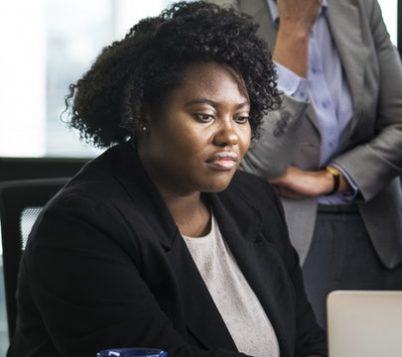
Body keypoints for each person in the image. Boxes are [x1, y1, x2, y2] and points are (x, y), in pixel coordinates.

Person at [7, 2, 326, 356]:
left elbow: (305, 338)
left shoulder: (253, 200)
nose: (230, 136)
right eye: (205, 116)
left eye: (241, 117)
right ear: (144, 114)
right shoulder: (81, 226)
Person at [206, 0, 402, 327]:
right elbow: (262, 160)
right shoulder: (221, 12)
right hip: (284, 237)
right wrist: (295, 31)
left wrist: (333, 178)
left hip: (379, 233)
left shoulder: (359, 7)